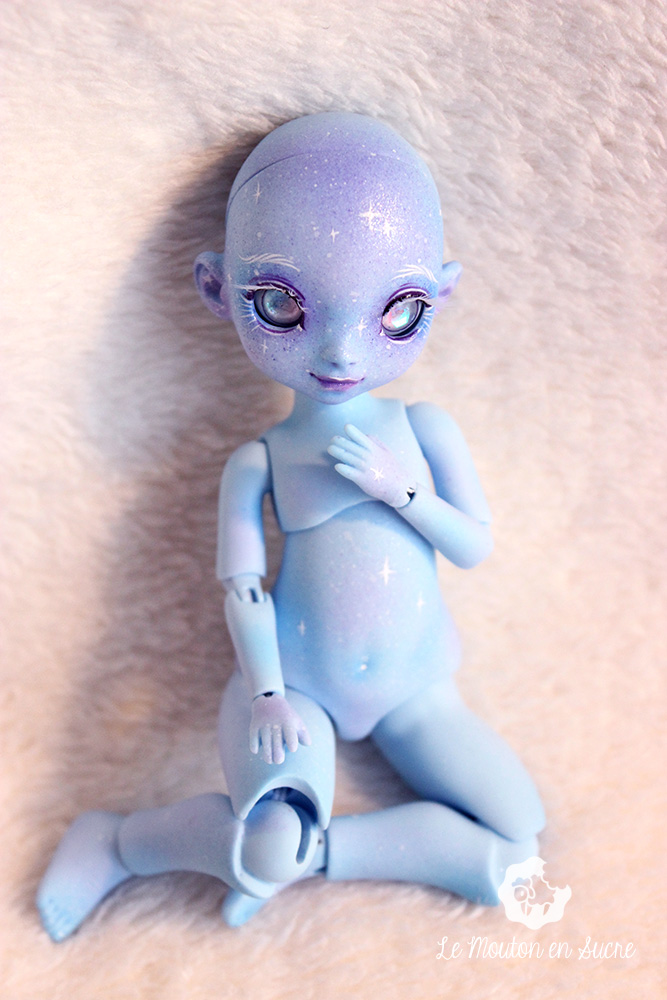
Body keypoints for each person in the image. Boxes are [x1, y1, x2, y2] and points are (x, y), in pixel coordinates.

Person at [37, 113, 544, 941]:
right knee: (270, 839)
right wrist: (268, 693)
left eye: (398, 311)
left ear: (441, 296)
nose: (341, 355)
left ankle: (309, 859)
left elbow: (473, 544)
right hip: (298, 683)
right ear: (216, 289)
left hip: (416, 690)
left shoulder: (422, 431)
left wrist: (399, 491)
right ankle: (120, 843)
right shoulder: (259, 460)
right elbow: (241, 588)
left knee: (517, 836)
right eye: (280, 305)